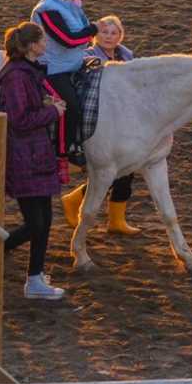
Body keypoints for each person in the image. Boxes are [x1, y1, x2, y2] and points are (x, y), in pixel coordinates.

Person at [0, 22, 66, 300]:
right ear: (32, 46)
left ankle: (35, 278)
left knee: (44, 220)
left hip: (35, 153)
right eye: (42, 40)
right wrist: (52, 113)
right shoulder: (16, 77)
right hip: (24, 155)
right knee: (36, 222)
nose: (46, 44)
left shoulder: (27, 73)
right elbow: (20, 120)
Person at [59, 15, 145, 234]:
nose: (109, 36)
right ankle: (75, 201)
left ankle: (116, 220)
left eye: (113, 33)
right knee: (112, 169)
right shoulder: (87, 55)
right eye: (105, 32)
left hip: (123, 119)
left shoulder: (127, 55)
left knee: (127, 168)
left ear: (120, 36)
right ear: (96, 35)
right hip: (99, 119)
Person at [31, 0, 97, 166]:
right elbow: (67, 39)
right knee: (70, 105)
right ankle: (65, 149)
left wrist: (90, 31)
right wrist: (93, 29)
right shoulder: (47, 11)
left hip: (73, 63)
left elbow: (82, 34)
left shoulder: (71, 6)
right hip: (53, 68)